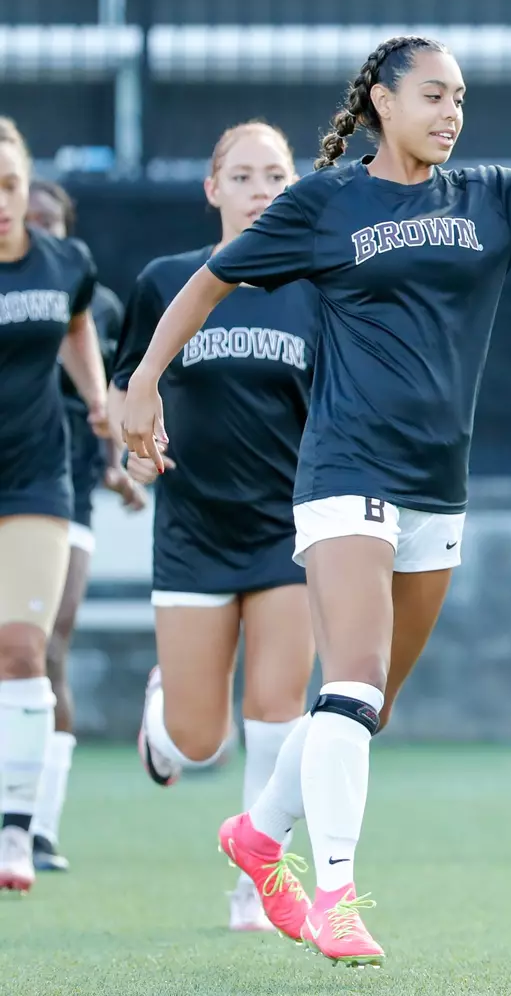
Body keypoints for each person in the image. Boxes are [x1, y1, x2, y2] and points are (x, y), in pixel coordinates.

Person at [119, 0, 511, 967]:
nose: (451, 111)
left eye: (461, 97)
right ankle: (332, 892)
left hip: (434, 484)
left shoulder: (489, 195)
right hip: (340, 472)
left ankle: (254, 834)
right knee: (354, 679)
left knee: (368, 704)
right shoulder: (324, 202)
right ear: (380, 100)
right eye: (434, 95)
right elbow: (209, 281)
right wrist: (145, 384)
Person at [108, 122, 319, 933]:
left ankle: (255, 885)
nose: (259, 189)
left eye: (273, 175)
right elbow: (131, 388)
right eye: (241, 176)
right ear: (213, 189)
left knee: (277, 711)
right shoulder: (167, 281)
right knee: (200, 743)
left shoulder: (318, 287)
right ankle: (167, 720)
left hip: (288, 532)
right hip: (193, 531)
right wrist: (135, 449)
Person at [0, 117, 111, 894]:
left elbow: (76, 327)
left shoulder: (64, 263)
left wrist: (101, 404)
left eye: (8, 185)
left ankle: (15, 829)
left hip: (38, 478)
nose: (2, 202)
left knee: (24, 650)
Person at [24, 180, 147, 874]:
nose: (34, 229)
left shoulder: (95, 306)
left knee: (46, 648)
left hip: (63, 488)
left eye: (49, 221)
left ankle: (37, 824)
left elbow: (113, 396)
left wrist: (114, 465)